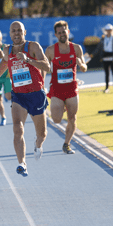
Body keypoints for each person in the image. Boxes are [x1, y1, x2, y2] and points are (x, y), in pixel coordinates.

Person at [0, 21, 50, 176]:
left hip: (36, 94)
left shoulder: (33, 47)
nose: (17, 33)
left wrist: (28, 60)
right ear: (10, 34)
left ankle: (38, 145)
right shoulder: (7, 50)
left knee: (42, 134)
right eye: (14, 31)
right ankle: (22, 163)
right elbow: (5, 63)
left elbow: (47, 66)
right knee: (17, 128)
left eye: (19, 30)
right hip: (19, 96)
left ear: (25, 32)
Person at [45, 20, 88, 154]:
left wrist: (81, 65)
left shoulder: (76, 48)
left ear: (68, 31)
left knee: (72, 118)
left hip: (72, 89)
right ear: (56, 35)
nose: (62, 34)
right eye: (59, 33)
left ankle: (66, 144)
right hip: (57, 90)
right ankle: (61, 106)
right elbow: (43, 68)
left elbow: (84, 67)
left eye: (64, 31)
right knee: (56, 119)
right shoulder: (51, 50)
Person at [90, 24, 113, 93]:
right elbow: (98, 48)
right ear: (105, 31)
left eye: (110, 30)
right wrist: (92, 55)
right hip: (105, 57)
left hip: (112, 57)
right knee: (107, 74)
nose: (108, 32)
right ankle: (107, 88)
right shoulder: (103, 38)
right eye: (107, 30)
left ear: (112, 31)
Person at [0, 29, 12, 126]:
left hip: (6, 76)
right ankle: (3, 117)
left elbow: (7, 58)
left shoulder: (6, 48)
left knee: (8, 96)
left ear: (1, 37)